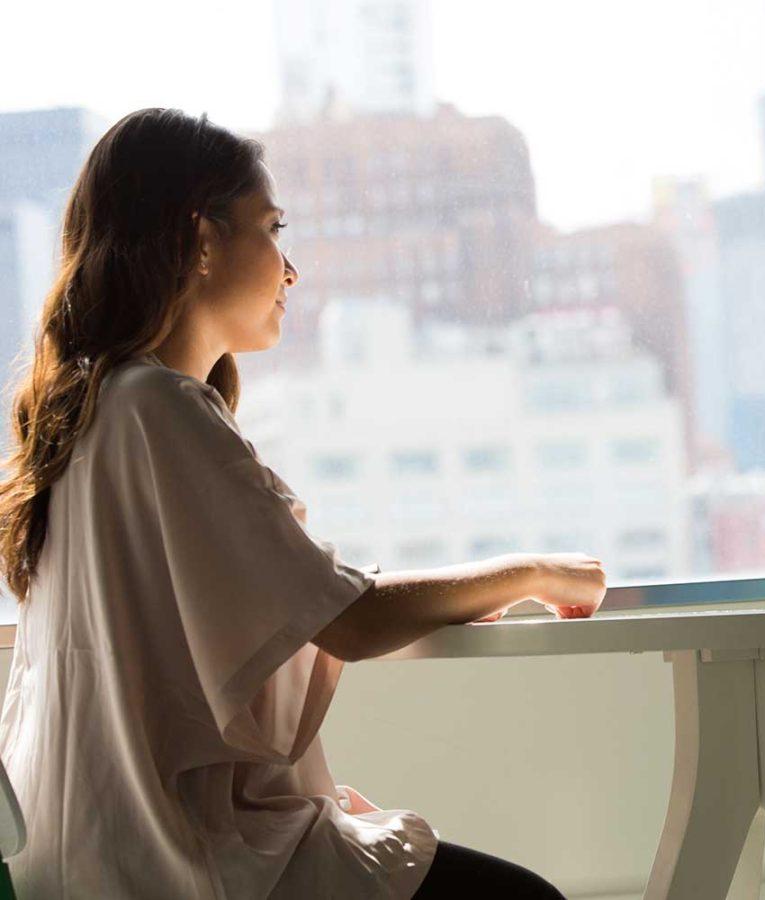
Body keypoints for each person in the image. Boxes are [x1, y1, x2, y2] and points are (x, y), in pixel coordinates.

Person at [0, 107, 606, 898]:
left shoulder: (91, 410)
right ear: (204, 238)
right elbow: (347, 618)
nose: (292, 271)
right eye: (273, 228)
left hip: (89, 857)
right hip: (179, 861)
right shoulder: (158, 409)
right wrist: (531, 571)